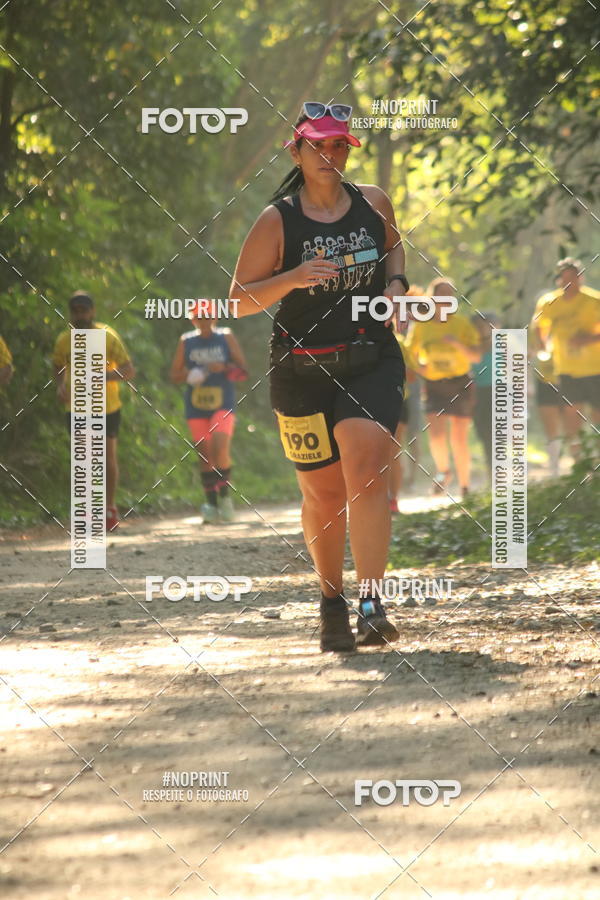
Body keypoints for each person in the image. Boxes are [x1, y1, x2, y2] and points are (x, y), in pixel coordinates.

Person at [229, 103, 407, 652]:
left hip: (372, 357)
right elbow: (238, 302)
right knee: (324, 495)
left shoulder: (373, 202)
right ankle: (331, 601)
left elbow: (394, 249)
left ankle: (372, 603)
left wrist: (397, 287)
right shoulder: (277, 221)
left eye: (338, 146)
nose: (329, 155)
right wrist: (295, 276)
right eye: (318, 146)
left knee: (367, 467)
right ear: (298, 151)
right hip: (300, 370)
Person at [52, 291, 134, 532]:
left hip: (107, 406)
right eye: (76, 311)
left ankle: (109, 509)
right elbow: (57, 366)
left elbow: (128, 370)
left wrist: (104, 376)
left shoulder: (107, 336)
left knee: (107, 457)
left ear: (92, 311)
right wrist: (60, 386)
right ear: (71, 313)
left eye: (84, 310)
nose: (80, 315)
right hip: (77, 407)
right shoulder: (64, 340)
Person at [169, 303, 247, 523]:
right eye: (199, 317)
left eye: (208, 316)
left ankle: (225, 499)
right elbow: (174, 375)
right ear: (193, 320)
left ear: (215, 317)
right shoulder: (186, 341)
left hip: (223, 401)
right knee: (204, 454)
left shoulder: (226, 336)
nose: (204, 321)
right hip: (196, 404)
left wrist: (223, 367)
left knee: (220, 447)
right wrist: (191, 374)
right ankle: (210, 504)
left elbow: (243, 368)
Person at [404, 278, 481, 498]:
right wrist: (421, 369)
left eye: (449, 294)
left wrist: (456, 344)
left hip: (460, 382)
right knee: (436, 436)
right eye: (440, 295)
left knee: (459, 438)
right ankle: (444, 472)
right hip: (435, 383)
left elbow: (475, 356)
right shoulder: (422, 326)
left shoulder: (462, 325)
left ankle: (465, 486)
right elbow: (410, 354)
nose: (445, 299)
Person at [532, 257, 600, 460]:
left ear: (581, 278)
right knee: (572, 414)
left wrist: (589, 338)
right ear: (558, 280)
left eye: (573, 277)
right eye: (564, 278)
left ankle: (597, 459)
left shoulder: (594, 301)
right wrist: (542, 344)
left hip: (595, 368)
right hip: (566, 369)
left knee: (597, 414)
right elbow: (539, 327)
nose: (569, 282)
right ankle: (579, 462)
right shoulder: (549, 302)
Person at [470, 312, 500, 482]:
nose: (483, 329)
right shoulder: (471, 347)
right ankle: (492, 473)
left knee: (497, 435)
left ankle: (497, 474)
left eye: (488, 325)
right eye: (479, 326)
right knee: (483, 433)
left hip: (500, 391)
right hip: (478, 394)